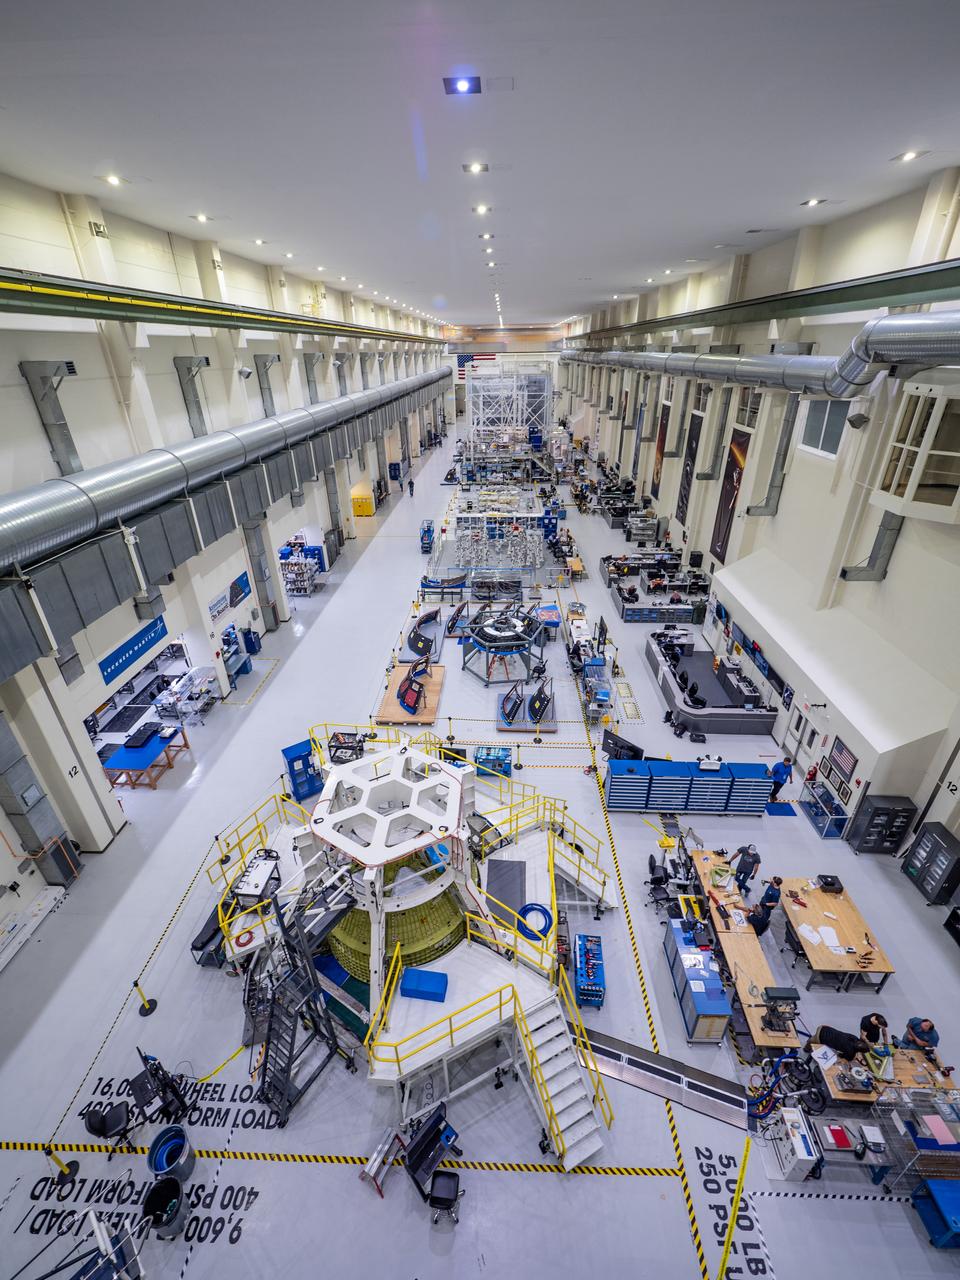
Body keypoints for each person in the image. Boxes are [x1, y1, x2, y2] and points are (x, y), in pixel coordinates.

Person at [805, 1025, 871, 1064]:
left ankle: (807, 1047)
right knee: (812, 1041)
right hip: (820, 1037)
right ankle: (806, 1049)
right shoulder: (850, 1052)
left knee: (811, 1039)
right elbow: (845, 1060)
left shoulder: (854, 1037)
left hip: (824, 1028)